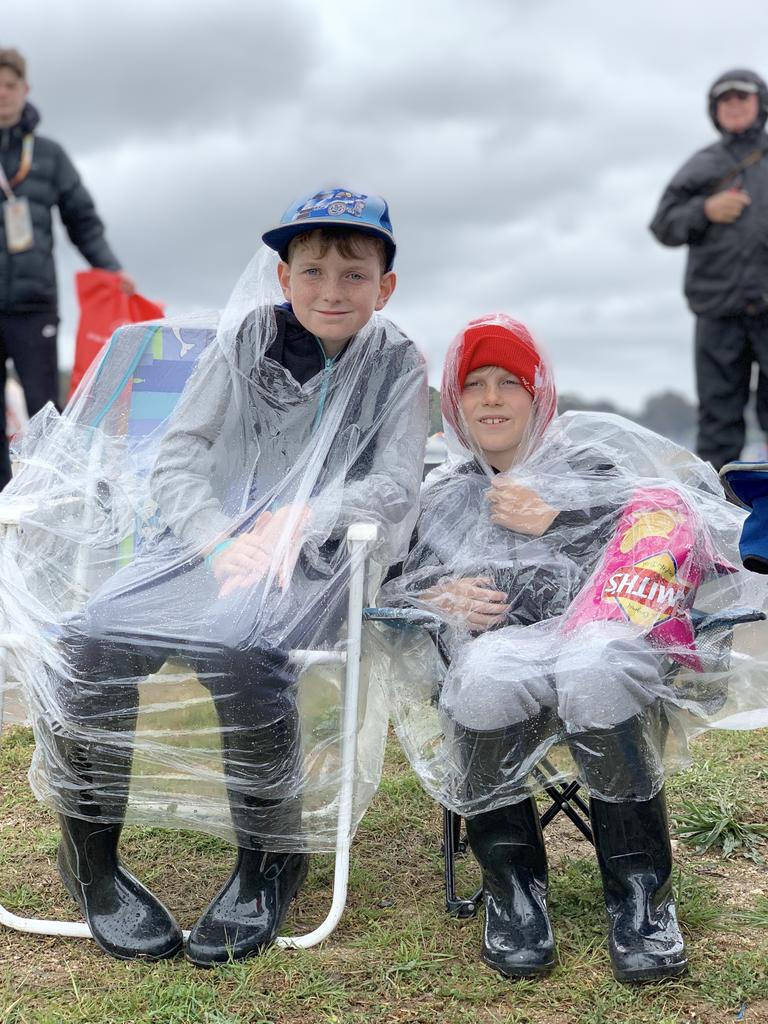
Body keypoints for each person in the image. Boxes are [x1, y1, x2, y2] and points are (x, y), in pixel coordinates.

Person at [2, 187, 427, 965]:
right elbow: (179, 457)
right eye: (314, 270)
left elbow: (397, 483)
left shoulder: (397, 363)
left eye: (354, 274)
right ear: (283, 276)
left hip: (317, 559)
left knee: (242, 647)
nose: (332, 290)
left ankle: (268, 859)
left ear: (384, 286)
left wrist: (300, 517)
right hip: (202, 548)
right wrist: (213, 538)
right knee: (92, 637)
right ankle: (90, 861)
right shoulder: (243, 346)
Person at [382, 314, 768, 983]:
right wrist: (439, 599)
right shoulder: (437, 495)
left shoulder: (591, 471)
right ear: (454, 400)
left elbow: (675, 533)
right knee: (488, 670)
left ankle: (641, 898)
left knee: (595, 658)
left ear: (540, 397)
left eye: (511, 383)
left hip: (605, 668)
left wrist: (562, 516)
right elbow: (391, 589)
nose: (493, 398)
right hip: (499, 670)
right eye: (476, 384)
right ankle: (515, 894)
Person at [0, 46, 134, 489]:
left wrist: (111, 269)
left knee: (42, 409)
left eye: (10, 85)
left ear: (25, 90)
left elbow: (83, 221)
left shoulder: (50, 155)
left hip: (34, 303)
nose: (2, 94)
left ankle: (42, 503)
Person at [650, 68, 768, 471]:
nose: (734, 105)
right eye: (725, 100)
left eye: (742, 97)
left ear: (760, 104)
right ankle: (717, 518)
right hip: (718, 311)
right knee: (718, 426)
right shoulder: (702, 165)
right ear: (714, 111)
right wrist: (705, 210)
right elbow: (663, 225)